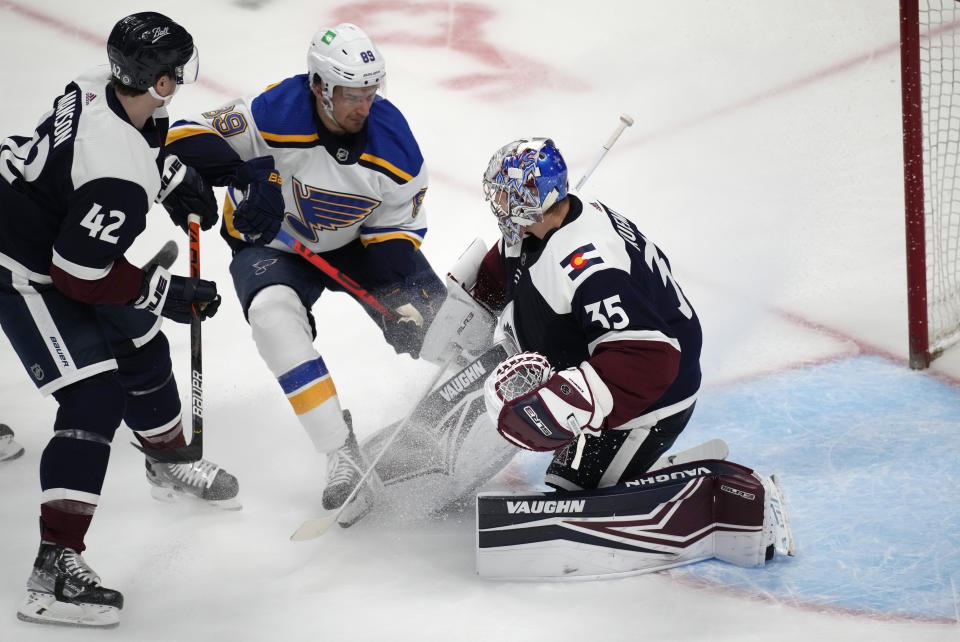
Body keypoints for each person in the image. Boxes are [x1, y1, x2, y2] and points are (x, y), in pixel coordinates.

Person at [0, 12, 239, 628]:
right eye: (173, 73)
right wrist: (164, 291)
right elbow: (79, 276)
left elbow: (114, 157)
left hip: (39, 228)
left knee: (139, 339)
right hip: (19, 264)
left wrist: (173, 175)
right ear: (155, 80)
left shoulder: (96, 86)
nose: (180, 81)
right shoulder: (115, 176)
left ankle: (166, 460)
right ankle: (52, 573)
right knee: (94, 398)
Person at [165, 23, 444, 520]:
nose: (365, 105)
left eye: (371, 92)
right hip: (274, 247)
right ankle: (341, 451)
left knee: (436, 325)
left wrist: (399, 302)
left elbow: (397, 234)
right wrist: (245, 176)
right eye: (351, 94)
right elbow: (182, 136)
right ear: (319, 86)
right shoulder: (275, 112)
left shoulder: (397, 148)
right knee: (272, 318)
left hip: (362, 245)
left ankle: (498, 405)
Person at [470, 137, 703, 491]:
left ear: (529, 200)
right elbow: (515, 258)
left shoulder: (591, 269)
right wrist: (474, 300)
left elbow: (650, 357)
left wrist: (565, 398)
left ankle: (674, 493)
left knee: (570, 489)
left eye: (504, 194)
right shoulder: (541, 224)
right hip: (608, 365)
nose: (496, 202)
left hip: (650, 400)